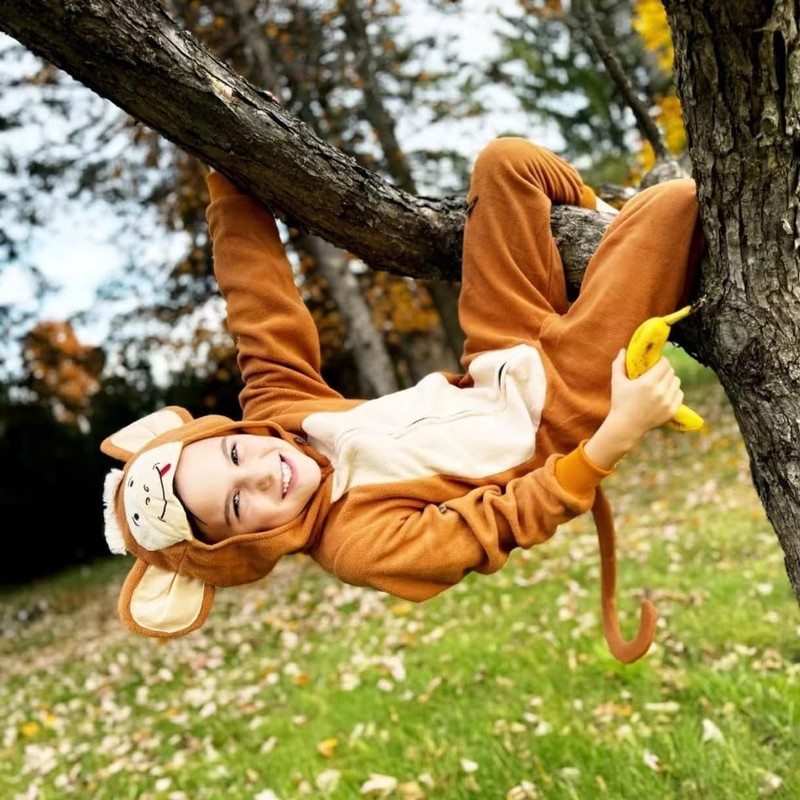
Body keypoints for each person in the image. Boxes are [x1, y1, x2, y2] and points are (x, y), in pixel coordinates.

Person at [101, 137, 706, 662]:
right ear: (241, 549)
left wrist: (228, 181)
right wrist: (614, 437)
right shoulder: (359, 547)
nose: (261, 473)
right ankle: (644, 261)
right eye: (237, 505)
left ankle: (604, 229)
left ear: (231, 432)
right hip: (565, 410)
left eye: (233, 454)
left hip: (496, 359)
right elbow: (502, 523)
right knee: (675, 204)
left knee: (508, 164)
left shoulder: (279, 418)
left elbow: (256, 305)